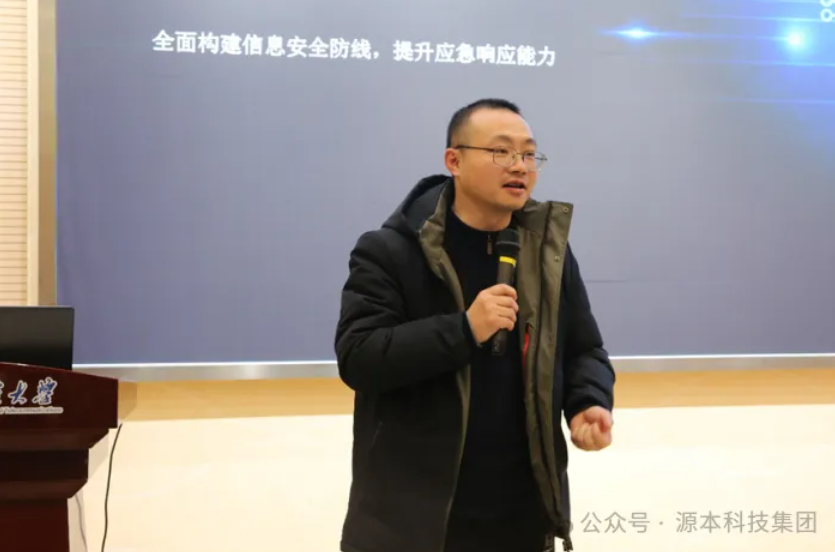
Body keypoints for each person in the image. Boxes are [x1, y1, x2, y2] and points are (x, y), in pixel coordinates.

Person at [334, 98, 616, 552]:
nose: (519, 165)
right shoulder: (390, 251)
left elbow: (583, 348)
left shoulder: (548, 255)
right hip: (415, 525)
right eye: (501, 151)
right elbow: (360, 357)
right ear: (454, 161)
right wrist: (464, 330)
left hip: (522, 519)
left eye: (529, 154)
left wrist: (588, 400)